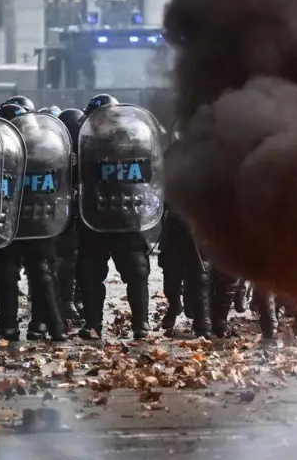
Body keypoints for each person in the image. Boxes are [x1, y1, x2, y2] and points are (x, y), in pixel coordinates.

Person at [72, 95, 152, 340]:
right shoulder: (83, 147)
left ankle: (141, 323)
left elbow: (149, 176)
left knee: (137, 271)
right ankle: (93, 324)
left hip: (126, 217)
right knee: (89, 272)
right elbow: (75, 181)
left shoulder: (134, 143)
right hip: (94, 218)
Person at [0, 103, 66, 342]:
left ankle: (30, 326)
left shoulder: (43, 151)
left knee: (33, 273)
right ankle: (47, 327)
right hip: (25, 223)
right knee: (35, 273)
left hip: (21, 223)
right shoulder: (44, 150)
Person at [54, 107, 86, 332]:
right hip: (66, 217)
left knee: (80, 261)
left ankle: (76, 300)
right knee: (68, 260)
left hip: (85, 217)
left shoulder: (92, 152)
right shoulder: (55, 155)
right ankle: (68, 301)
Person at [158, 201, 206, 338]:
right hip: (173, 233)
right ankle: (174, 305)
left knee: (198, 281)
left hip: (198, 235)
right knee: (170, 281)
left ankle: (201, 322)